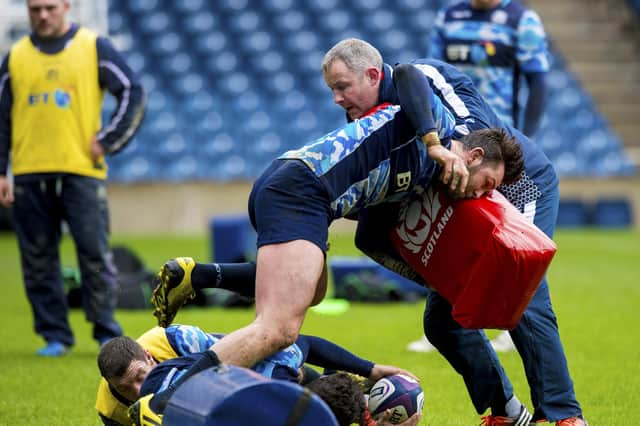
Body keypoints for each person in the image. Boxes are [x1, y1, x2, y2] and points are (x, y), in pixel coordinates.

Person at [321, 38, 586, 425]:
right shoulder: (362, 122)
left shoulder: (425, 78)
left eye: (343, 87)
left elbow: (473, 136)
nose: (337, 99)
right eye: (332, 90)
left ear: (374, 75)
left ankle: (565, 416)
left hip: (515, 184)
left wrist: (437, 144)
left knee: (521, 285)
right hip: (461, 209)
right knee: (441, 322)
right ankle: (507, 412)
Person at [0, 0, 146, 356]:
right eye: (36, 9)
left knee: (94, 253)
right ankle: (55, 336)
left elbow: (132, 91)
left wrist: (109, 139)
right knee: (37, 259)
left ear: (66, 6)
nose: (43, 15)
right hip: (29, 173)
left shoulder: (93, 46)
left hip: (81, 172)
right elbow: (1, 119)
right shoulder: (15, 56)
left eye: (50, 7)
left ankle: (105, 331)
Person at [425, 0, 551, 355]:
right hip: (460, 141)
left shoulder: (521, 20)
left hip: (497, 147)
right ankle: (450, 323)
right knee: (452, 237)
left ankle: (509, 323)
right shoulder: (448, 16)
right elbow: (435, 75)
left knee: (510, 241)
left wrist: (523, 140)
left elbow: (538, 83)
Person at [98, 328, 418, 426]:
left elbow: (252, 344)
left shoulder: (170, 343)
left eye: (139, 378)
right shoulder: (110, 406)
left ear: (149, 359)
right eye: (127, 388)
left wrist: (368, 371)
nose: (136, 391)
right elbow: (300, 342)